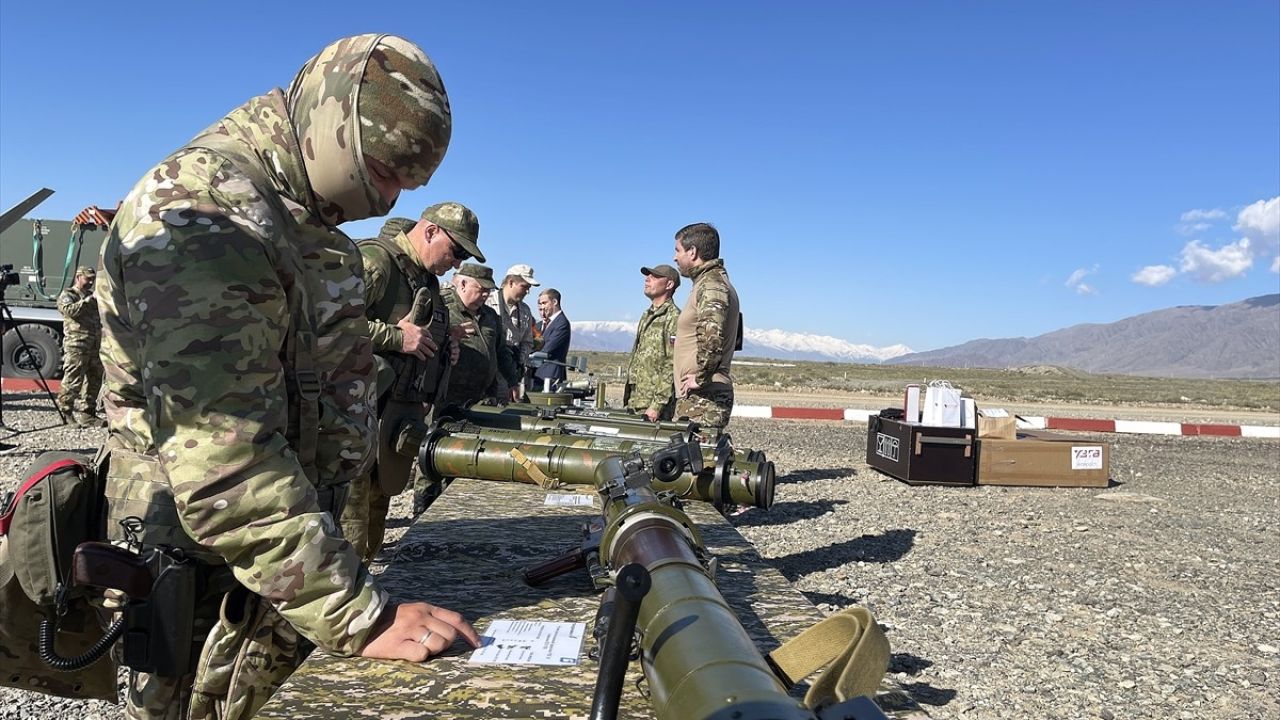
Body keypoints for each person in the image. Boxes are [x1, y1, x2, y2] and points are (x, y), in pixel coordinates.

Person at [95, 34, 479, 720]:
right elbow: (224, 462)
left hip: (281, 563)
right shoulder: (205, 213)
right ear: (333, 129)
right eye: (387, 172)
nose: (391, 196)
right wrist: (358, 615)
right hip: (202, 562)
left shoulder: (301, 215)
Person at [341, 202, 483, 562]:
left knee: (374, 522)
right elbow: (324, 325)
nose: (456, 264)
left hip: (389, 422)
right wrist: (395, 337)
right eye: (456, 252)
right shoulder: (376, 261)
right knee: (348, 532)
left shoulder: (424, 281)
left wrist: (443, 344)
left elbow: (417, 334)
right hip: (349, 422)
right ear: (431, 231)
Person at [671, 222, 740, 430]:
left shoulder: (711, 285)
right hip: (699, 397)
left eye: (678, 250)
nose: (675, 257)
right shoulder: (706, 283)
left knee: (697, 460)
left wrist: (701, 378)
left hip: (704, 398)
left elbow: (712, 336)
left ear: (692, 252)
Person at [623, 265, 680, 422]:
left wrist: (657, 405)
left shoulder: (673, 317)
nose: (647, 279)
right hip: (636, 401)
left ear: (669, 285)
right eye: (648, 276)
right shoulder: (647, 315)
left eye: (655, 277)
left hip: (653, 407)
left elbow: (672, 364)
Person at [56, 265, 104, 427]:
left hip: (94, 344)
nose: (90, 282)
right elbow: (69, 311)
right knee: (73, 378)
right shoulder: (68, 295)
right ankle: (66, 412)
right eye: (87, 278)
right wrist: (89, 300)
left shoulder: (92, 296)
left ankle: (88, 413)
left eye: (92, 279)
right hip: (77, 345)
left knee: (94, 379)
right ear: (78, 277)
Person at [485, 263, 539, 397]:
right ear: (511, 282)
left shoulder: (525, 311)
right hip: (486, 373)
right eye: (524, 287)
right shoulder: (487, 301)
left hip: (508, 377)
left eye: (529, 288)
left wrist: (518, 365)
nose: (527, 292)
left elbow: (527, 342)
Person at [533, 288, 571, 387]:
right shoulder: (540, 324)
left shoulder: (562, 324)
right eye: (540, 304)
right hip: (536, 375)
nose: (542, 306)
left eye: (544, 303)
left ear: (555, 302)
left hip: (551, 376)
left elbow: (547, 349)